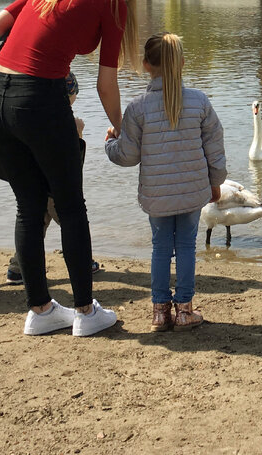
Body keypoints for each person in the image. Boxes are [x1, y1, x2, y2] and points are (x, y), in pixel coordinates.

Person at [0, 0, 139, 337]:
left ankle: (40, 310)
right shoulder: (112, 1)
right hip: (39, 100)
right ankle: (86, 312)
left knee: (28, 206)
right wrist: (121, 127)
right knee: (70, 206)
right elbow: (106, 82)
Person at [104, 33, 226, 332]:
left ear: (146, 65)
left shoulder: (137, 107)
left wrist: (110, 143)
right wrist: (216, 181)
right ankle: (184, 310)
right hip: (193, 190)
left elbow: (128, 156)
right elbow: (215, 147)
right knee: (186, 246)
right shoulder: (199, 101)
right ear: (182, 63)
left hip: (156, 195)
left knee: (160, 247)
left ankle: (160, 312)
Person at [3, 71, 100, 285]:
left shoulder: (30, 118)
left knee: (36, 222)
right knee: (70, 220)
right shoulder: (65, 123)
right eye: (71, 102)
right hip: (55, 186)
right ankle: (83, 261)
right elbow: (72, 160)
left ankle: (17, 268)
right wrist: (79, 134)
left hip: (33, 182)